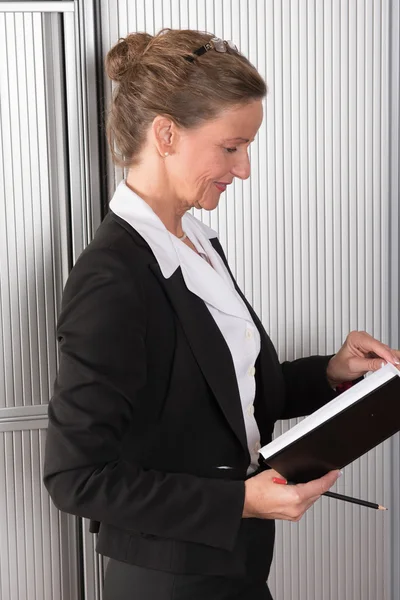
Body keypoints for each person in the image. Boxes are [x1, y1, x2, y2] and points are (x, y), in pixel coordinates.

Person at [43, 29, 400, 600]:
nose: (245, 169)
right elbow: (75, 478)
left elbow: (224, 397)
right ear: (165, 134)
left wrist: (332, 374)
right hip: (170, 580)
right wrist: (242, 499)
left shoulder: (197, 244)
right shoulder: (112, 277)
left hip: (233, 564)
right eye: (231, 147)